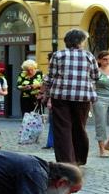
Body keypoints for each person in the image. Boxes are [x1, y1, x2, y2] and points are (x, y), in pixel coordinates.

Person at [42, 28, 99, 165]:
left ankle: (66, 161)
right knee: (79, 127)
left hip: (60, 96)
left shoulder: (58, 55)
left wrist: (44, 93)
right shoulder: (89, 56)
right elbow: (96, 76)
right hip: (83, 97)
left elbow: (50, 77)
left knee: (62, 128)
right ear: (80, 42)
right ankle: (79, 158)